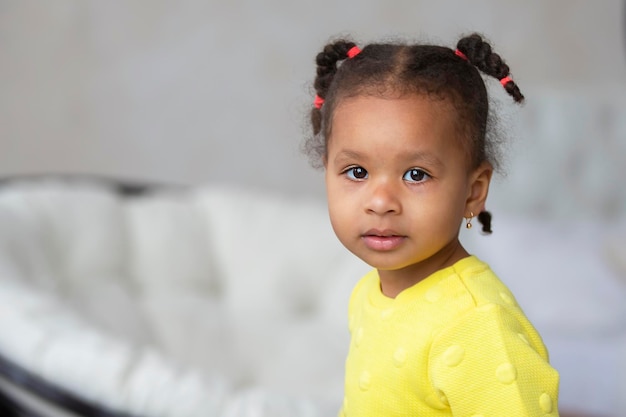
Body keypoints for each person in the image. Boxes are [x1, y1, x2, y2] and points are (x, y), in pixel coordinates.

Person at [304, 33, 560, 417]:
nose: (380, 202)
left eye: (416, 174)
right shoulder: (367, 293)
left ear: (473, 192)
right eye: (356, 172)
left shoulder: (476, 325)